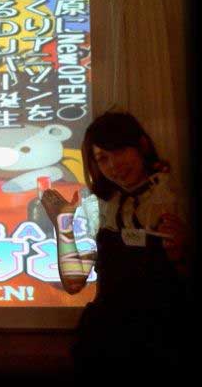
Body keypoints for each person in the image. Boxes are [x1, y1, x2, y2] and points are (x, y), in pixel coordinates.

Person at [40, 111, 191, 380]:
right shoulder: (98, 205)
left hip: (165, 339)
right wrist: (63, 225)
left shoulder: (177, 196)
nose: (114, 165)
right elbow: (74, 283)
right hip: (107, 341)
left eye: (119, 151)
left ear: (142, 145)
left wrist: (183, 252)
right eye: (102, 159)